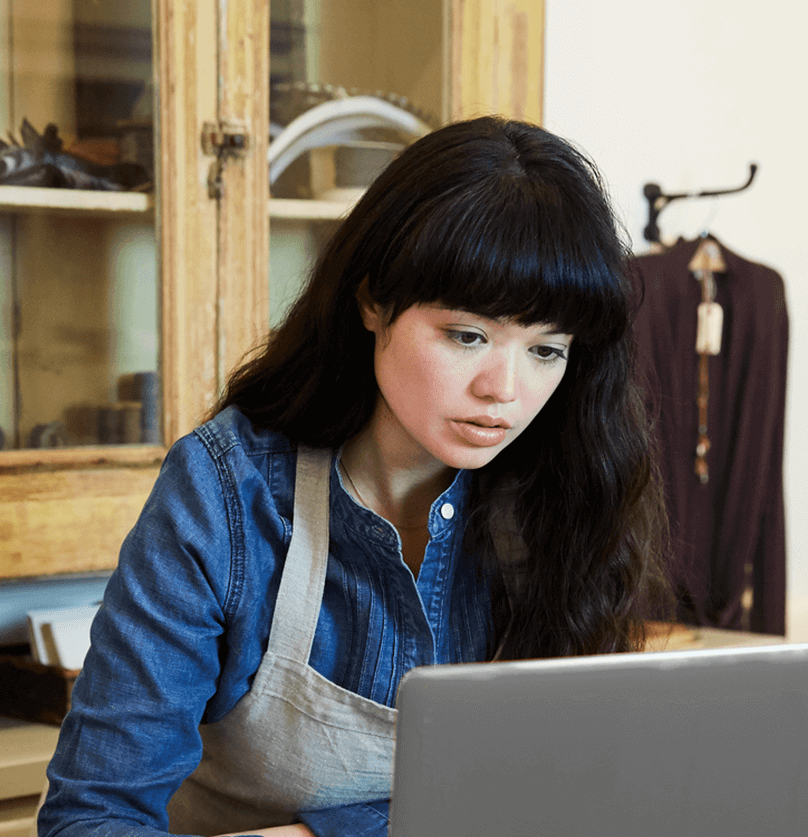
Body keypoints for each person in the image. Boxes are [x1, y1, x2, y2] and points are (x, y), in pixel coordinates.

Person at [37, 116, 668, 837]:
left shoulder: (561, 494)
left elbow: (566, 793)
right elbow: (91, 819)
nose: (505, 389)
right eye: (468, 336)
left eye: (546, 351)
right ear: (373, 301)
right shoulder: (229, 493)